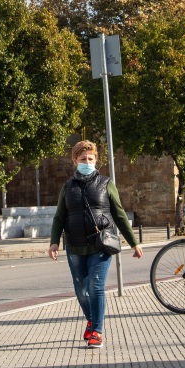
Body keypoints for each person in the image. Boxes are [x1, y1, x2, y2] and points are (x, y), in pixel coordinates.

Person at [48, 140, 142, 349]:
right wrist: (54, 242)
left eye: (91, 159)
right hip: (75, 245)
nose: (87, 162)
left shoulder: (106, 183)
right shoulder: (68, 187)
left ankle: (97, 331)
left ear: (96, 160)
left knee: (96, 287)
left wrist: (134, 242)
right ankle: (91, 319)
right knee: (81, 289)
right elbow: (59, 217)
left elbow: (119, 214)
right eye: (83, 159)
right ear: (75, 161)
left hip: (101, 245)